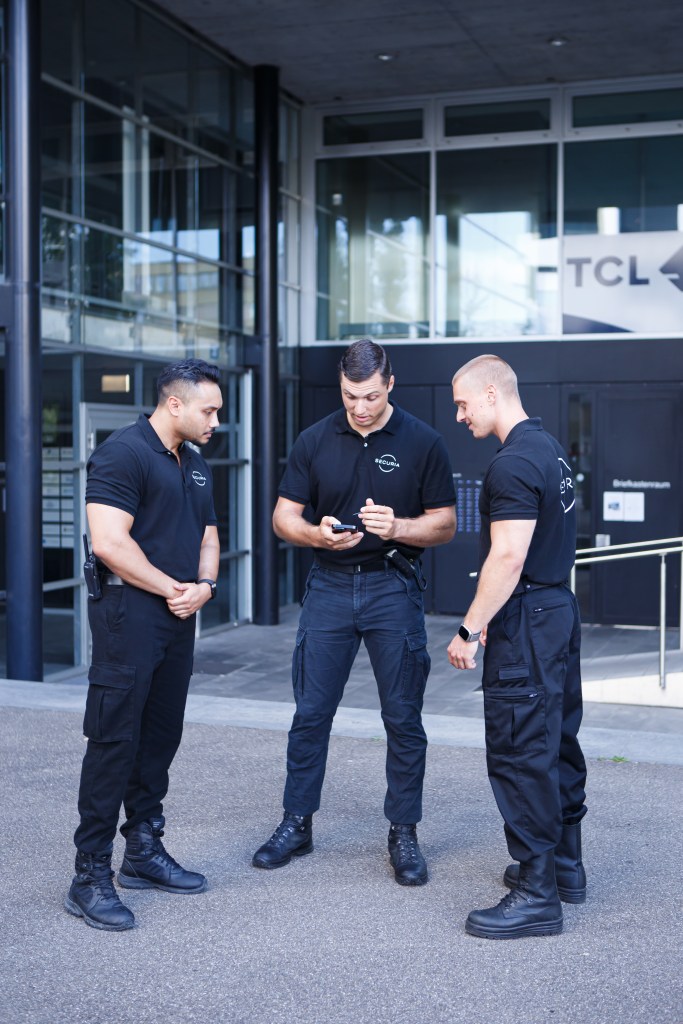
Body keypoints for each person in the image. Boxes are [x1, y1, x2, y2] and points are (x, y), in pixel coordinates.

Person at [252, 339, 456, 885]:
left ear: (390, 384)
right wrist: (314, 533)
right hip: (330, 586)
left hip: (393, 585)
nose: (359, 407)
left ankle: (403, 832)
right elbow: (283, 518)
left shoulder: (424, 441)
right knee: (311, 713)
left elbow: (446, 523)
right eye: (349, 396)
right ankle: (297, 822)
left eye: (370, 396)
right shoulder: (314, 439)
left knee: (403, 717)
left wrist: (401, 527)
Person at [65, 359, 223, 931]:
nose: (216, 421)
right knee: (115, 739)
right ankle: (89, 874)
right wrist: (173, 589)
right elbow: (110, 542)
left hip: (177, 614)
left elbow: (208, 535)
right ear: (174, 404)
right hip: (127, 613)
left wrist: (204, 587)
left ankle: (142, 850)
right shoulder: (122, 453)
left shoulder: (195, 463)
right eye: (209, 410)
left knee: (160, 735)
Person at [447, 354, 587, 940]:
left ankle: (536, 895)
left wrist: (469, 628)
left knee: (520, 747)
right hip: (556, 610)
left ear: (491, 393)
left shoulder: (511, 464)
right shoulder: (550, 450)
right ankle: (564, 867)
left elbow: (508, 556)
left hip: (529, 618)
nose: (460, 416)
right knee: (555, 739)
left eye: (463, 404)